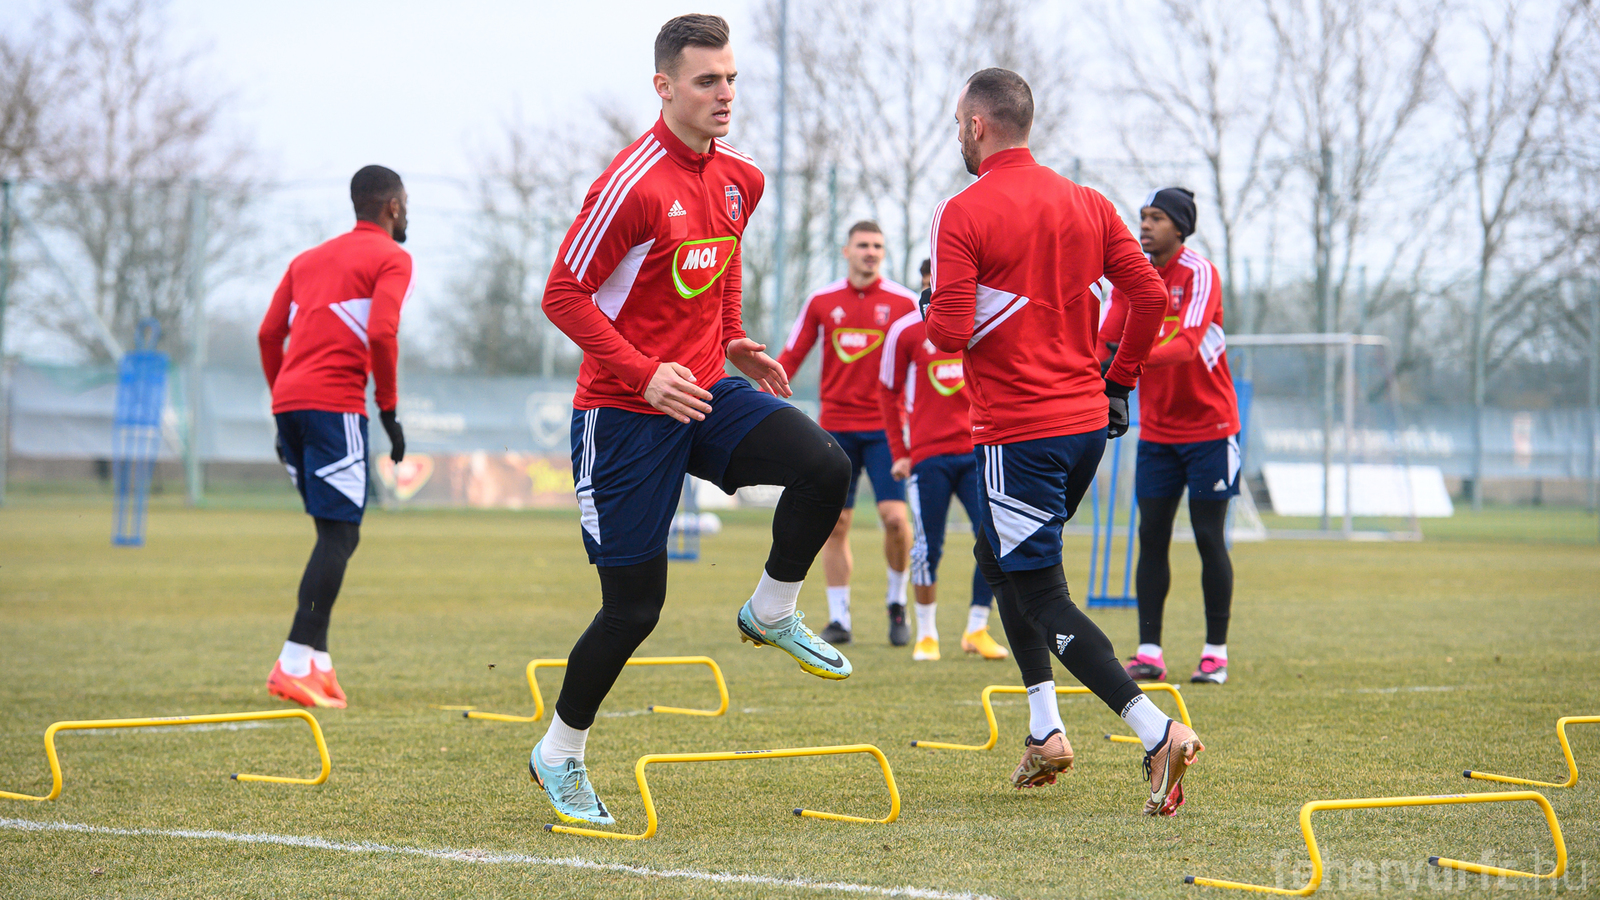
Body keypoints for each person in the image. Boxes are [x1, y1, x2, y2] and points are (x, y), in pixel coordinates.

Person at [531, 14, 854, 827]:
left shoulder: (742, 176)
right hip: (622, 415)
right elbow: (562, 296)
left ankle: (771, 610)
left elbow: (725, 253)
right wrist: (644, 374)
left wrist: (733, 336)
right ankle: (559, 752)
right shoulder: (630, 185)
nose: (725, 93)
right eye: (708, 80)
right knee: (635, 610)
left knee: (825, 466)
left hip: (706, 388)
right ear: (664, 86)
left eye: (732, 78)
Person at [924, 67, 1205, 815]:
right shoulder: (1090, 202)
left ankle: (1156, 731)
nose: (958, 137)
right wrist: (1120, 382)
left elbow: (948, 332)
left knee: (1042, 593)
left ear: (977, 125)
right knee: (999, 561)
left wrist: (929, 304)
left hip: (1017, 433)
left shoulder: (962, 210)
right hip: (1085, 427)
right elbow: (1148, 295)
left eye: (958, 125)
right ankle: (1045, 730)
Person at [257, 165, 412, 709]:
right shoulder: (391, 258)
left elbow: (268, 334)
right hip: (334, 405)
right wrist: (388, 410)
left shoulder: (306, 260)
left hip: (290, 404)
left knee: (334, 530)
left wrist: (283, 399)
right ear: (392, 206)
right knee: (340, 534)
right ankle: (293, 659)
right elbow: (382, 331)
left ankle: (317, 661)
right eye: (406, 203)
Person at [1097, 188, 1241, 686]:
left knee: (1208, 537)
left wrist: (1123, 364)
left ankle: (1215, 653)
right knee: (1151, 537)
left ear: (1180, 228)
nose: (1145, 225)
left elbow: (1185, 346)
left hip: (1211, 432)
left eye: (1156, 217)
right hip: (1157, 434)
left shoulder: (1200, 273)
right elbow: (1105, 338)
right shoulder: (1132, 278)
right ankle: (1149, 652)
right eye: (1142, 216)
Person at [776, 222, 918, 646]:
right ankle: (839, 619)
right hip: (835, 429)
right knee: (836, 523)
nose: (870, 252)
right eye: (862, 245)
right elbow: (791, 355)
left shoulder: (905, 303)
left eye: (877, 245)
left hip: (886, 431)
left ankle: (897, 603)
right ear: (846, 251)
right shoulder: (822, 301)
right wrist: (763, 397)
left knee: (895, 520)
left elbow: (926, 357)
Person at [878, 269, 1008, 662]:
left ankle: (977, 628)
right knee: (926, 547)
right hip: (928, 457)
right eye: (931, 278)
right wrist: (900, 450)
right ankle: (927, 634)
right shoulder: (904, 330)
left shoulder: (983, 320)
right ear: (924, 282)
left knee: (994, 538)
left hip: (978, 449)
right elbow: (888, 391)